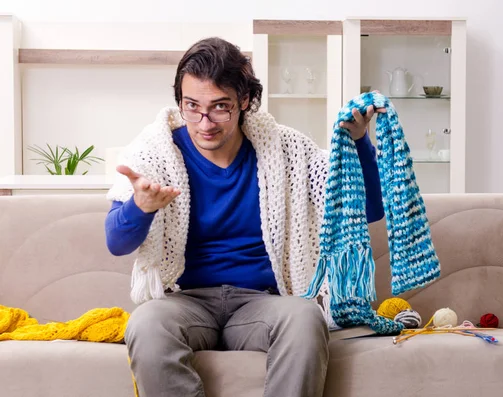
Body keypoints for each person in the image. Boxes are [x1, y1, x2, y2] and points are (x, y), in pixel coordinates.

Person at [105, 36, 385, 397]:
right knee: (145, 323)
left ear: (245, 101)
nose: (204, 122)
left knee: (305, 317)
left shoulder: (287, 149)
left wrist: (360, 141)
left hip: (264, 301)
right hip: (186, 301)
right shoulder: (155, 151)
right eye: (192, 106)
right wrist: (139, 208)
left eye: (220, 107)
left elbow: (367, 211)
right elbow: (116, 242)